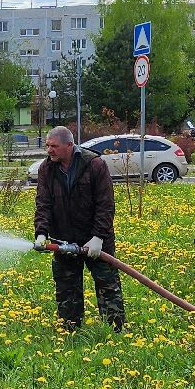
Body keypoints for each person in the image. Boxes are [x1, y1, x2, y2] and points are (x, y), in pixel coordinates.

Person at [33, 125, 124, 332]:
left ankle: (115, 331)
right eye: (47, 146)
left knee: (107, 285)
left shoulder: (95, 165)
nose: (49, 150)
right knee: (67, 289)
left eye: (54, 146)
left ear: (69, 145)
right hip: (63, 239)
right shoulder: (46, 169)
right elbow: (43, 203)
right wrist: (41, 232)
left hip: (96, 240)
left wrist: (98, 237)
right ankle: (70, 331)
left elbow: (105, 205)